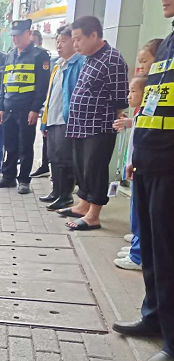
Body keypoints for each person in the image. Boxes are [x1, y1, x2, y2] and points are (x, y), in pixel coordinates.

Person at [113, 3, 174, 361]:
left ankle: (172, 340)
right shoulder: (167, 43)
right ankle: (155, 318)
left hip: (170, 166)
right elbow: (153, 103)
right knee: (151, 250)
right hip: (152, 161)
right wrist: (139, 153)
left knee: (169, 255)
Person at [61, 16, 129, 231]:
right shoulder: (89, 58)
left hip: (99, 127)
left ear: (93, 35)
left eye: (78, 39)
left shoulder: (113, 59)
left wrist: (114, 124)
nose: (75, 44)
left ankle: (94, 215)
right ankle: (83, 204)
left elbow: (120, 99)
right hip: (80, 125)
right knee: (81, 167)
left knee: (95, 168)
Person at [0, 19, 50, 194]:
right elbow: (4, 84)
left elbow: (42, 86)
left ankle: (24, 180)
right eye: (13, 36)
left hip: (26, 109)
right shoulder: (10, 55)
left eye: (18, 35)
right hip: (9, 108)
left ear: (28, 34)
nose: (15, 39)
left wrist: (35, 109)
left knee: (25, 145)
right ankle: (8, 177)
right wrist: (1, 107)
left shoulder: (39, 56)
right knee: (10, 145)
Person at [38, 25, 85, 211]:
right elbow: (51, 94)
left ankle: (65, 196)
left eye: (63, 41)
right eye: (57, 41)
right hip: (53, 118)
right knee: (53, 157)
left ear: (74, 42)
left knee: (65, 159)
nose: (59, 45)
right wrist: (44, 120)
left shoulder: (79, 64)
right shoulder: (57, 65)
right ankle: (56, 191)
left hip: (67, 119)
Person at [111, 76, 147, 271]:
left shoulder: (149, 111)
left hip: (142, 165)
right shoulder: (140, 112)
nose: (129, 96)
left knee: (141, 210)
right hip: (135, 165)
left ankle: (138, 254)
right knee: (135, 207)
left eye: (133, 91)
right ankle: (136, 243)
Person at [29, 29, 51, 179]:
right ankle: (44, 165)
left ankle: (46, 165)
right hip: (46, 105)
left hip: (41, 102)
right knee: (45, 136)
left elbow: (43, 83)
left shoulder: (43, 55)